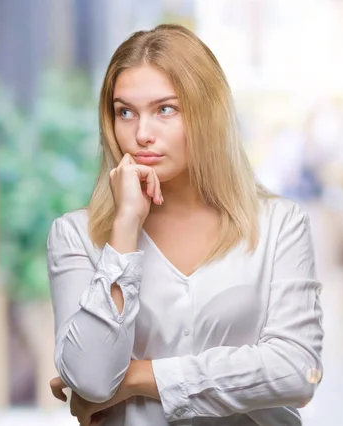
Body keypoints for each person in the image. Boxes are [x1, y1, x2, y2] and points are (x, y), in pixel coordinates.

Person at [46, 24, 324, 426]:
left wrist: (139, 376)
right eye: (126, 112)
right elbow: (90, 379)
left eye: (165, 110)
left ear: (207, 113)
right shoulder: (76, 235)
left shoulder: (279, 225)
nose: (142, 134)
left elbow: (298, 371)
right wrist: (125, 228)